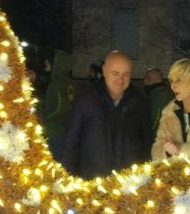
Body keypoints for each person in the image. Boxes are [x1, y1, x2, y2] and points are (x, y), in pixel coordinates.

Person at [62, 51, 151, 179]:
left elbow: (146, 145)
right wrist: (68, 178)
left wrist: (143, 179)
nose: (120, 80)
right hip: (91, 183)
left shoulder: (140, 103)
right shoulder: (86, 100)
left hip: (128, 185)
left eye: (126, 74)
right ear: (104, 71)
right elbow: (71, 142)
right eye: (115, 73)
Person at [41, 50, 76, 160]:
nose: (45, 62)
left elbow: (60, 106)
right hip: (66, 128)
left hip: (54, 130)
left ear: (57, 64)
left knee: (54, 162)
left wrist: (46, 118)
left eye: (50, 61)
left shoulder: (56, 83)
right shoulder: (68, 82)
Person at [142, 67, 174, 141]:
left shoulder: (161, 96)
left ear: (158, 80)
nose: (145, 81)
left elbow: (156, 119)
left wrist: (150, 139)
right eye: (144, 78)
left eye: (148, 78)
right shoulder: (155, 94)